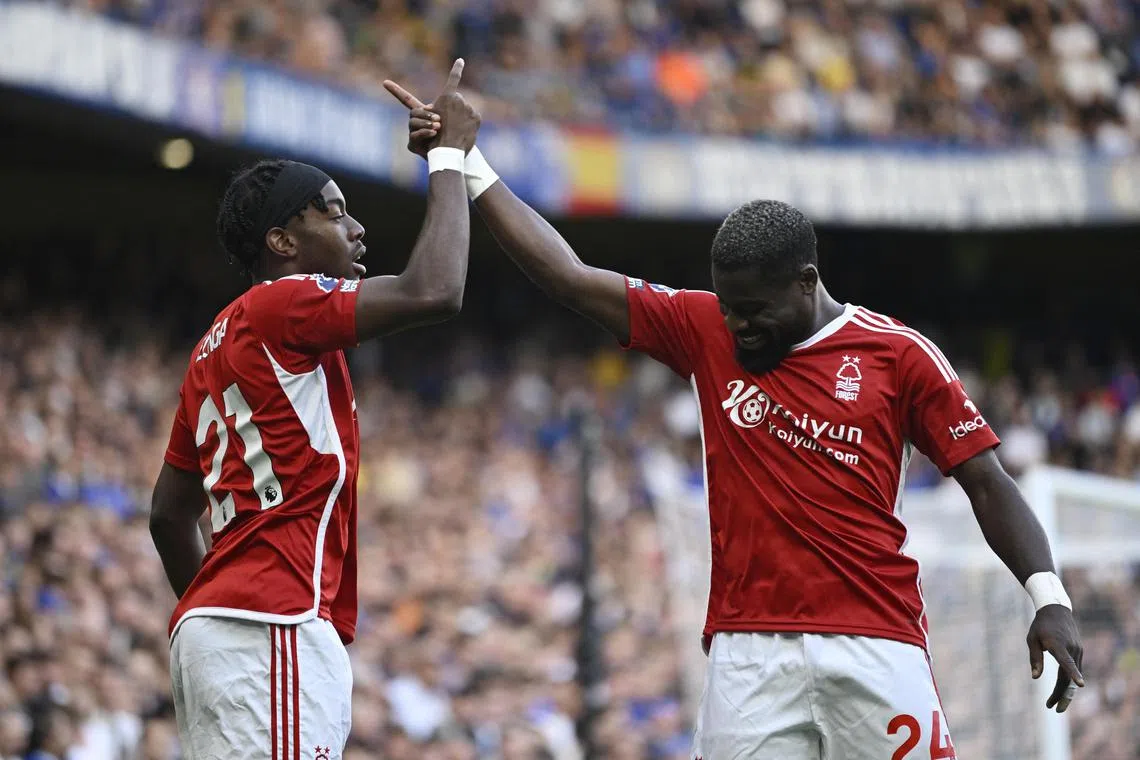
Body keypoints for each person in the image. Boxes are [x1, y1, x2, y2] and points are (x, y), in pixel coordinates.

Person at [383, 78, 1085, 760]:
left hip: (877, 641)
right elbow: (570, 275)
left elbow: (986, 481)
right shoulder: (703, 328)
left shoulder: (898, 356)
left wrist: (1047, 596)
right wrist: (465, 160)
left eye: (753, 309)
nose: (737, 324)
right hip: (747, 654)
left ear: (807, 283)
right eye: (727, 306)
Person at [149, 60, 480, 760]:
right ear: (282, 241)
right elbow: (436, 290)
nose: (357, 228)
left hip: (227, 628)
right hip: (267, 624)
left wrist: (210, 603)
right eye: (333, 210)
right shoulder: (285, 301)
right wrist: (449, 158)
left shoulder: (215, 346)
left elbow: (168, 513)